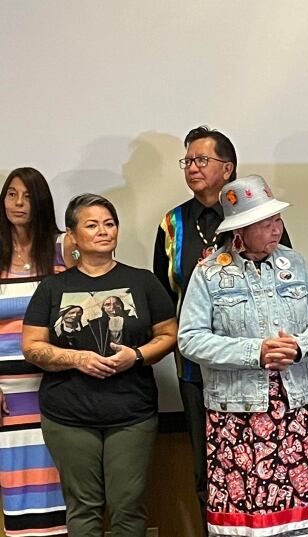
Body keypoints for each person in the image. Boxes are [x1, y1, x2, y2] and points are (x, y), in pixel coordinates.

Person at [178, 175, 308, 537]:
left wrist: (300, 347)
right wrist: (256, 352)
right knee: (247, 522)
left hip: (296, 412)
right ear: (241, 231)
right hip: (237, 418)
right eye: (265, 224)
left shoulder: (295, 265)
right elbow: (189, 339)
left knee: (302, 520)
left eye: (277, 220)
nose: (275, 229)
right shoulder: (209, 274)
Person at [153, 125, 291, 535]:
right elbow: (165, 296)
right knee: (209, 471)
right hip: (199, 372)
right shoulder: (173, 223)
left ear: (227, 168)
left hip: (263, 373)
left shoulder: (263, 220)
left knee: (268, 468)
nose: (192, 167)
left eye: (201, 160)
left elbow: (286, 283)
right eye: (187, 160)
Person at [22, 193, 178, 537]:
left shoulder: (143, 282)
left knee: (128, 506)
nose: (103, 231)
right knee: (83, 508)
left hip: (132, 415)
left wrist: (135, 356)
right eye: (92, 225)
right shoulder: (53, 287)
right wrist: (76, 358)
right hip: (69, 417)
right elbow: (32, 346)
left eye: (110, 224)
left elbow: (170, 334)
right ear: (73, 235)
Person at [0, 168, 68, 536]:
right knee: (19, 489)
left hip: (57, 388)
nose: (19, 204)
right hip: (9, 396)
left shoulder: (62, 248)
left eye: (27, 196)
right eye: (11, 195)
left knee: (64, 486)